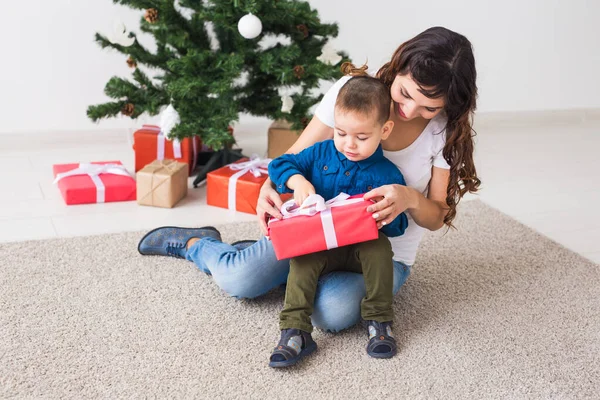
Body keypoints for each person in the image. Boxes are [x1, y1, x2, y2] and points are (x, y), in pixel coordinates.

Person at [138, 26, 481, 337]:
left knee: (330, 312)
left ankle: (291, 271)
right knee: (237, 279)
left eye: (428, 107)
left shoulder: (443, 131)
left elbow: (436, 216)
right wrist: (268, 189)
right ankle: (199, 245)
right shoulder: (355, 93)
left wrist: (409, 198)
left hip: (382, 254)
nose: (408, 110)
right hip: (317, 230)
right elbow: (295, 157)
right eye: (405, 93)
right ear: (400, 63)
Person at [267, 76, 409, 367]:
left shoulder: (387, 174)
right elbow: (279, 163)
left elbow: (400, 226)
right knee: (302, 259)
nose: (349, 144)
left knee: (379, 249)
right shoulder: (321, 153)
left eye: (361, 137)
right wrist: (296, 180)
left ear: (384, 130)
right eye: (341, 133)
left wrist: (386, 215)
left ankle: (379, 322)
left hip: (361, 248)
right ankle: (295, 330)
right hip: (320, 242)